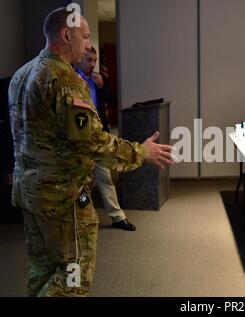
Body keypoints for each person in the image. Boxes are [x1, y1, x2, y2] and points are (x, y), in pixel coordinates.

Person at [8, 8, 174, 296]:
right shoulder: (65, 79)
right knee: (73, 277)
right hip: (64, 201)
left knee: (42, 270)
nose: (88, 45)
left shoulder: (21, 75)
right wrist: (140, 153)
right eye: (85, 37)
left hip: (30, 194)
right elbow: (92, 142)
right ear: (65, 34)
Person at [76, 48, 135, 231]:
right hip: (78, 139)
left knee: (106, 178)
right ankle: (79, 220)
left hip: (99, 137)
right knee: (79, 182)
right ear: (80, 59)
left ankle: (118, 218)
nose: (92, 64)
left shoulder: (100, 79)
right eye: (89, 60)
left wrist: (103, 87)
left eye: (94, 60)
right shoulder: (70, 78)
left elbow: (113, 102)